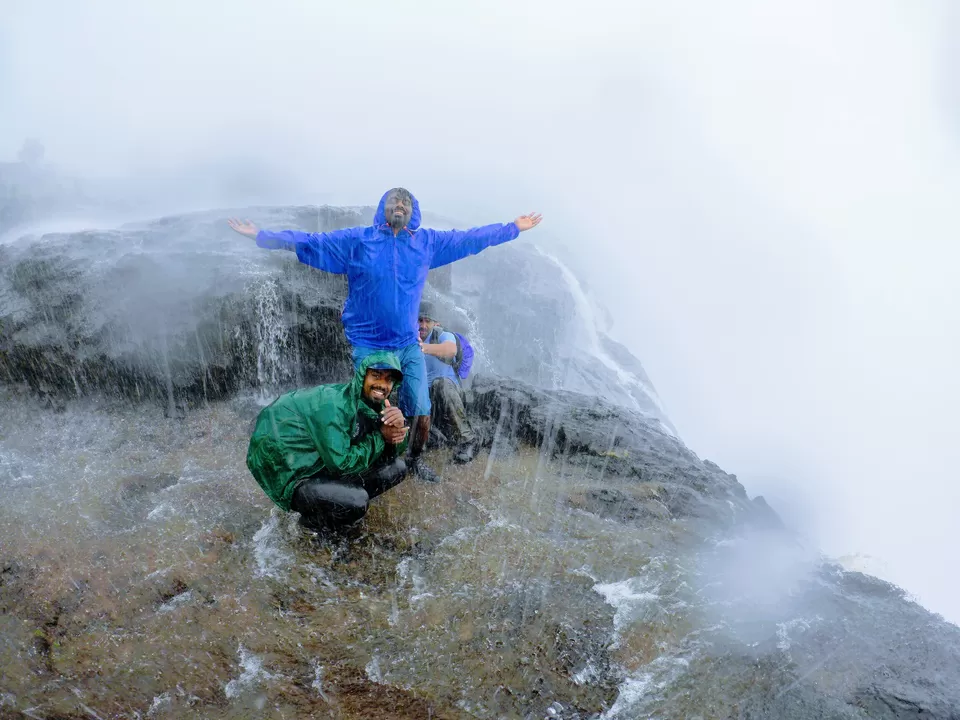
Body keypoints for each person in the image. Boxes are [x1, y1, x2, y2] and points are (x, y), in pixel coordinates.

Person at [228, 188, 542, 483]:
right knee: (372, 403)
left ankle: (414, 460)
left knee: (419, 404)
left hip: (407, 344)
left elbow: (470, 239)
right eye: (394, 200)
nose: (400, 204)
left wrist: (512, 228)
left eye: (406, 201)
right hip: (370, 342)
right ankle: (380, 458)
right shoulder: (358, 240)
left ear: (414, 211)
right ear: (383, 208)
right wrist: (261, 235)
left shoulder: (427, 243)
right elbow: (311, 241)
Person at [246, 351, 410, 530]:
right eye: (376, 376)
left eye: (388, 380)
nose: (382, 384)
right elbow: (341, 464)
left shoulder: (374, 406)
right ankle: (309, 526)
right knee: (357, 501)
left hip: (323, 465)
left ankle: (336, 505)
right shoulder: (334, 405)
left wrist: (397, 428)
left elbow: (391, 451)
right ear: (363, 376)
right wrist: (381, 436)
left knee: (398, 468)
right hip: (297, 474)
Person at [418, 302, 477, 464]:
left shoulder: (442, 334)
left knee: (441, 384)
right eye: (419, 320)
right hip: (427, 400)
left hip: (449, 394)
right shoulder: (409, 338)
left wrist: (422, 347)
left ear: (435, 323)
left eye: (427, 321)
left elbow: (450, 350)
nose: (423, 325)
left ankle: (468, 440)